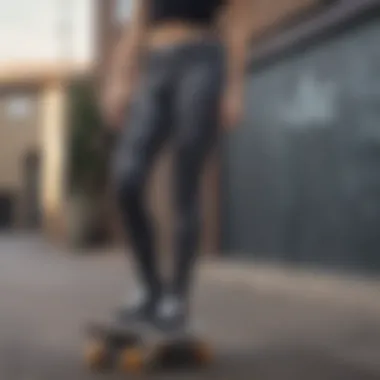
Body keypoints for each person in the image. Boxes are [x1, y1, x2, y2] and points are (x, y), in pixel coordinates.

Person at [102, 0, 252, 333]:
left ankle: (176, 297)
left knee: (185, 183)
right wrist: (119, 80)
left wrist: (234, 89)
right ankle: (151, 288)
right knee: (126, 177)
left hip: (203, 62)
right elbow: (135, 27)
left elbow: (238, 27)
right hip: (155, 67)